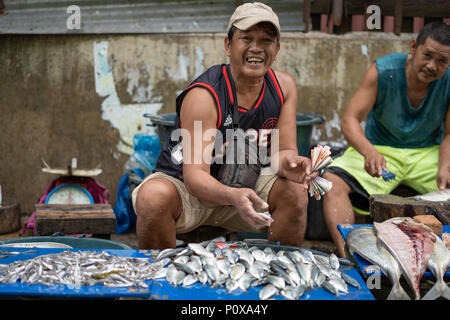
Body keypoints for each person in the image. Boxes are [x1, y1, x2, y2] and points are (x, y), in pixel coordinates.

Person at [132, 2, 316, 249]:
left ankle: (279, 275)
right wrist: (232, 196)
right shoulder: (204, 95)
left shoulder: (283, 87)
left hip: (245, 186)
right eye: (246, 38)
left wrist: (292, 164)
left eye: (266, 41)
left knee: (295, 192)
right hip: (189, 191)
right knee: (153, 197)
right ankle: (161, 278)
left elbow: (283, 151)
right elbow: (195, 176)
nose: (256, 48)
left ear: (277, 48)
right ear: (228, 45)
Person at [323, 22, 450, 258]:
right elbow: (350, 119)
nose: (432, 66)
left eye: (442, 61)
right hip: (380, 149)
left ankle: (441, 262)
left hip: (426, 153)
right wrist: (368, 151)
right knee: (331, 181)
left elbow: (449, 134)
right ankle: (349, 259)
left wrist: (445, 166)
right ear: (413, 47)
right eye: (427, 55)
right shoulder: (383, 70)